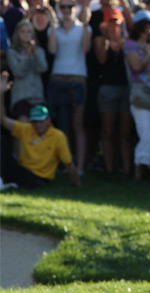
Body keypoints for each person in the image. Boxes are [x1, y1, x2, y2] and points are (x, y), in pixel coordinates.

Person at [0, 74, 81, 188]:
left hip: (39, 178)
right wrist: (1, 93)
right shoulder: (26, 128)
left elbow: (69, 164)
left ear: (48, 120)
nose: (38, 125)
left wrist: (78, 185)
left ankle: (12, 184)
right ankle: (2, 181)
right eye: (35, 121)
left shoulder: (58, 136)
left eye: (41, 121)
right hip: (22, 171)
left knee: (34, 182)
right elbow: (2, 119)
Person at [47, 0, 91, 175]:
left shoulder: (83, 28)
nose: (66, 10)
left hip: (78, 77)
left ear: (76, 8)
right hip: (57, 76)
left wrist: (86, 23)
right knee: (59, 123)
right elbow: (52, 50)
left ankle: (79, 166)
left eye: (70, 6)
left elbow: (86, 48)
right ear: (58, 8)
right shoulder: (54, 29)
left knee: (77, 124)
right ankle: (61, 165)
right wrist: (53, 25)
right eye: (63, 6)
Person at [124, 10, 150, 182]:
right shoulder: (130, 45)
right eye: (149, 25)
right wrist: (148, 55)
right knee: (146, 133)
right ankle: (140, 169)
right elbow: (137, 67)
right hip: (141, 95)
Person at [95, 7, 133, 175]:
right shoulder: (100, 40)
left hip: (126, 88)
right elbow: (102, 59)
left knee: (125, 132)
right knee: (108, 130)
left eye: (116, 21)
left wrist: (121, 42)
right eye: (110, 21)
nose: (113, 25)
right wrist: (106, 38)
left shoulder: (128, 41)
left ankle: (126, 169)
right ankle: (109, 169)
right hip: (108, 88)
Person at [7, 20, 48, 122]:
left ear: (33, 34)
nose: (26, 34)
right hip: (21, 96)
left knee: (38, 128)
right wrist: (28, 56)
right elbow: (18, 72)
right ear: (18, 34)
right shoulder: (12, 52)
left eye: (29, 32)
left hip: (37, 96)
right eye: (23, 31)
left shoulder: (39, 51)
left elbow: (42, 68)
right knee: (24, 129)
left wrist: (35, 54)